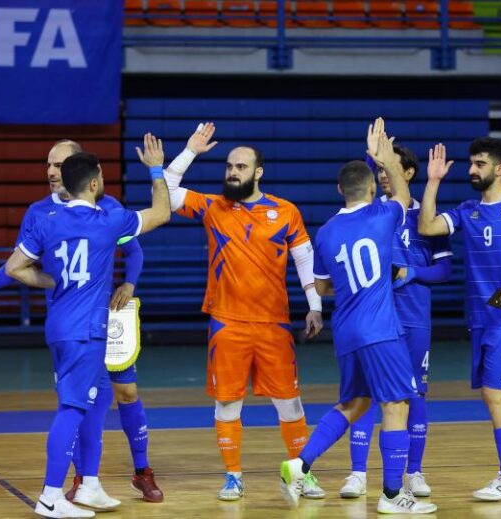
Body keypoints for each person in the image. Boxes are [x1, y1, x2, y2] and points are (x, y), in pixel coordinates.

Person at [0, 139, 163, 507]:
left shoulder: (108, 209)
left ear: (77, 171)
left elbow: (134, 250)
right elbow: (16, 266)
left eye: (59, 164)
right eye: (48, 164)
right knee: (81, 406)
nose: (52, 171)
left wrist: (129, 284)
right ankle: (76, 483)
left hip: (105, 321)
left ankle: (126, 474)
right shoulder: (39, 214)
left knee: (116, 396)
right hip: (76, 327)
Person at [279, 119, 437, 514]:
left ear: (339, 190)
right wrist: (385, 158)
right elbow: (402, 193)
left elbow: (321, 287)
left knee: (353, 402)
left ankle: (299, 464)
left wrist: (351, 286)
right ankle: (390, 496)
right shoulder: (383, 216)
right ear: (371, 188)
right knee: (397, 404)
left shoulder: (327, 232)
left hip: (346, 330)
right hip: (381, 329)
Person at [163, 122, 326, 501]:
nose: (232, 172)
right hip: (227, 323)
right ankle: (233, 475)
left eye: (240, 167)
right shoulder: (214, 207)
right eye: (229, 166)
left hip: (274, 325)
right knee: (227, 403)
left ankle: (301, 473)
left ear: (258, 172)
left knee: (290, 403)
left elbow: (304, 259)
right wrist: (190, 151)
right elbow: (167, 191)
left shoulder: (285, 211)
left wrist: (315, 307)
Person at [418, 138, 501, 501]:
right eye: (471, 163)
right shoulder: (467, 210)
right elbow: (427, 227)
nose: (471, 170)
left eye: (479, 164)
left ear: (499, 169)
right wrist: (432, 181)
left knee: (494, 393)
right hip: (480, 319)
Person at [340, 141, 452, 499]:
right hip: (373, 321)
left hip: (414, 320)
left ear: (408, 174)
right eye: (380, 168)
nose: (384, 175)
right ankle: (358, 473)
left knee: (414, 395)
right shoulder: (369, 214)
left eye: (391, 168)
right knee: (364, 395)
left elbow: (445, 270)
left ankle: (413, 473)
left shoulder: (428, 218)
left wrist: (410, 272)